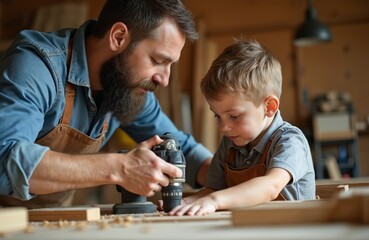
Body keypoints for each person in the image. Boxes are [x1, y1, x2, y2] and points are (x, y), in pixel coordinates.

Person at [0, 0, 213, 208]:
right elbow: (5, 158)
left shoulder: (125, 87)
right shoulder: (36, 66)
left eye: (170, 65)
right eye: (158, 61)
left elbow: (182, 150)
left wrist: (231, 175)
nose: (165, 80)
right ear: (118, 37)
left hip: (49, 220)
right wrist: (120, 168)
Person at [168, 39, 316, 216]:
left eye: (234, 116)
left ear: (269, 107)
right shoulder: (229, 144)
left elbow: (271, 186)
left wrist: (215, 201)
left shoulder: (290, 141)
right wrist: (183, 204)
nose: (223, 127)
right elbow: (212, 190)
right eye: (217, 116)